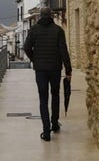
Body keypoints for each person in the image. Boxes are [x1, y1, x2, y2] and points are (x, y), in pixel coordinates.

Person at [23, 8, 72, 142]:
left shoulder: (34, 30)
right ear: (50, 16)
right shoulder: (58, 30)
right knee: (55, 95)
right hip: (55, 68)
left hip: (40, 70)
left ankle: (46, 131)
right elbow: (64, 51)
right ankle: (54, 124)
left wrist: (34, 59)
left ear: (40, 16)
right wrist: (68, 70)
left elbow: (26, 47)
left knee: (43, 99)